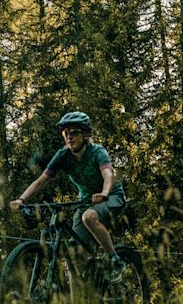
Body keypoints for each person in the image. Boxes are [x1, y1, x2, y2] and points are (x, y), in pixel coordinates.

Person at [10, 110, 128, 280]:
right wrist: (21, 199)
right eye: (66, 133)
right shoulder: (63, 155)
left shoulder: (97, 152)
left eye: (74, 132)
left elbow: (108, 175)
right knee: (73, 255)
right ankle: (78, 303)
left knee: (89, 217)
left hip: (111, 197)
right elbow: (41, 181)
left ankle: (114, 259)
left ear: (86, 134)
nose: (69, 137)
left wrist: (103, 193)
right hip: (86, 200)